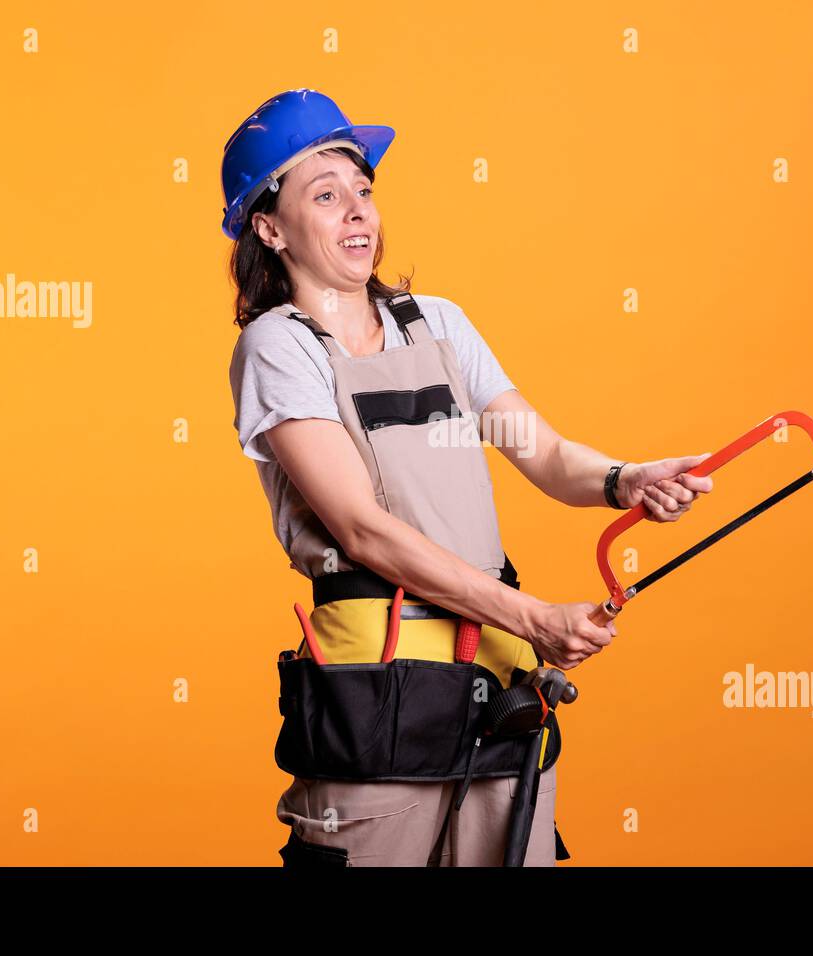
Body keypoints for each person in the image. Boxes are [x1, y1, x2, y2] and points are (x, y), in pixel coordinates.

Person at [223, 89, 713, 866]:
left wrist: (625, 480)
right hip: (377, 696)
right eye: (325, 194)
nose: (356, 211)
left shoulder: (438, 323)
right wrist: (533, 617)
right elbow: (361, 529)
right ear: (269, 227)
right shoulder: (280, 349)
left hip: (494, 683)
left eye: (363, 190)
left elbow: (544, 454)